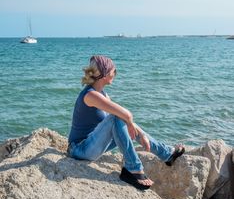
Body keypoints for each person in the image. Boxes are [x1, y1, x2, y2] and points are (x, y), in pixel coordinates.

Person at [68, 55, 185, 190]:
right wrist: (131, 126)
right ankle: (133, 169)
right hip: (79, 149)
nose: (115, 74)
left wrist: (141, 135)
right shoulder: (90, 95)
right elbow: (126, 115)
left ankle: (166, 154)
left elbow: (124, 119)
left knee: (121, 120)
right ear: (104, 74)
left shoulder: (103, 95)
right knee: (117, 117)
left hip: (94, 145)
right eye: (114, 71)